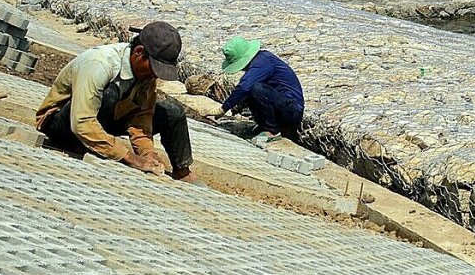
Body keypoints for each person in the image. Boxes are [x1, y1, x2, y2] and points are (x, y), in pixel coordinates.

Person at [36, 20, 196, 181]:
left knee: (172, 111)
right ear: (139, 52)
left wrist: (147, 153)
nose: (155, 75)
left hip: (103, 122)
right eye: (154, 69)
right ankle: (85, 148)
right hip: (62, 123)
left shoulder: (145, 75)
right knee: (109, 94)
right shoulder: (100, 63)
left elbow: (142, 118)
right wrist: (129, 158)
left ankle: (183, 173)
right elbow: (81, 122)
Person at [216, 36, 304, 141]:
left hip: (291, 111)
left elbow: (244, 87)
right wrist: (237, 106)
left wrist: (223, 109)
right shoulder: (260, 61)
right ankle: (264, 125)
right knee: (251, 89)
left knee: (256, 88)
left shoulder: (262, 63)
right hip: (281, 105)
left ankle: (271, 131)